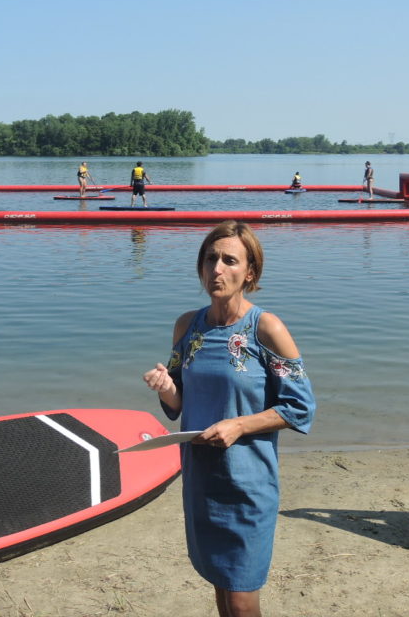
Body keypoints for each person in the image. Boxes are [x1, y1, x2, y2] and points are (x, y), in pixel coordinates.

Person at [143, 221, 315, 617]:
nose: (216, 269)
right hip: (201, 479)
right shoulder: (188, 326)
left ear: (250, 272)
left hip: (247, 483)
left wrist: (240, 425)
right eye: (210, 259)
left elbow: (300, 407)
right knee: (220, 585)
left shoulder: (266, 329)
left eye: (229, 260)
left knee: (241, 598)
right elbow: (179, 403)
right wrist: (165, 385)